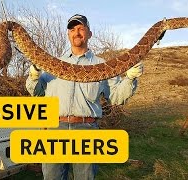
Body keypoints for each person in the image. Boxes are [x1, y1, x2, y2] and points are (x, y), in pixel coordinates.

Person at [26, 14, 143, 180]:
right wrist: (34, 75)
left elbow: (117, 97)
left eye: (81, 28)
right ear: (68, 34)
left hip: (86, 129)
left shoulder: (103, 65)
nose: (77, 32)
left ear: (89, 33)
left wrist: (130, 78)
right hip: (55, 129)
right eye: (72, 29)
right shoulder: (53, 63)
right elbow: (37, 92)